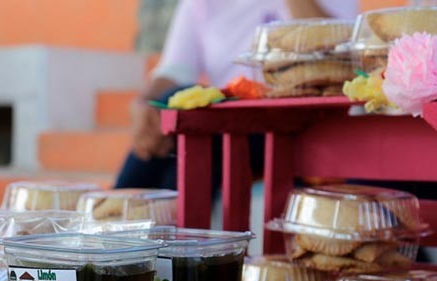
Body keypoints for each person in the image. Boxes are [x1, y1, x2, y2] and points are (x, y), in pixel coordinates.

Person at [115, 0, 359, 189]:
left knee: (188, 132)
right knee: (178, 145)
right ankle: (118, 232)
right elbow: (176, 68)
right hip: (225, 128)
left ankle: (111, 227)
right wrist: (144, 102)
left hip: (299, 127)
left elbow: (339, 52)